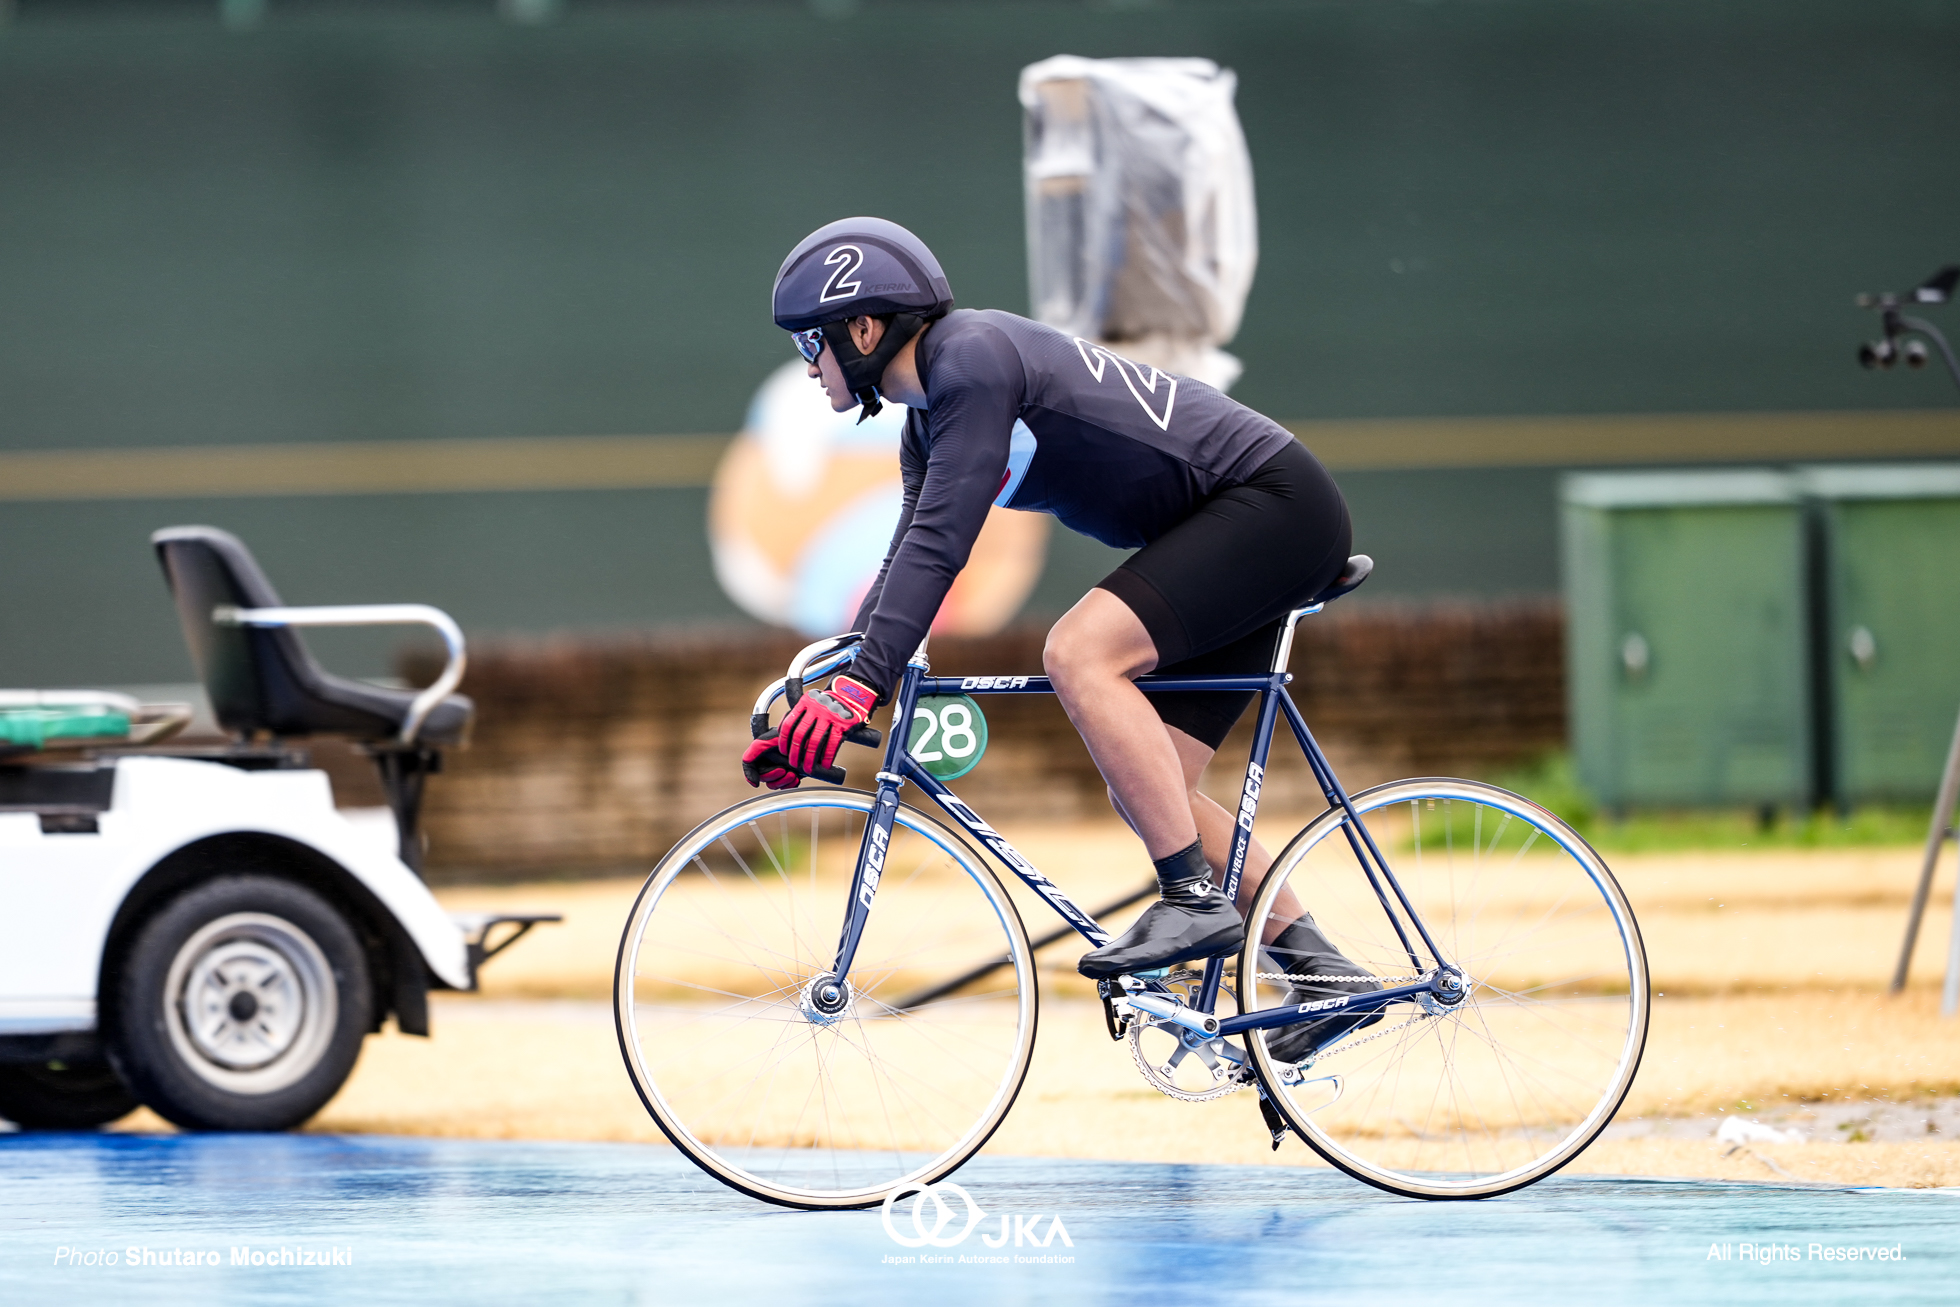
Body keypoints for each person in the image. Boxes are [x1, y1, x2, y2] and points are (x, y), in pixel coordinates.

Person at [742, 216, 1378, 1061]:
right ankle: (1323, 970)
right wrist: (834, 680)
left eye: (810, 344)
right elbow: (905, 558)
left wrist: (862, 686)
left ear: (862, 329)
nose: (810, 366)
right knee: (1155, 785)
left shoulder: (968, 359)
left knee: (1079, 650)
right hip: (1242, 524)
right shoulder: (928, 418)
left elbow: (943, 544)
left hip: (1272, 506)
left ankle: (1191, 897)